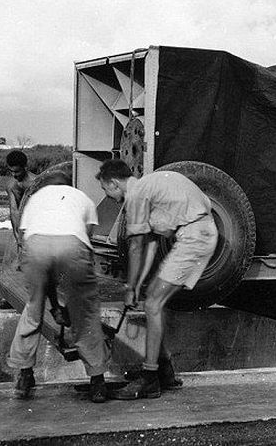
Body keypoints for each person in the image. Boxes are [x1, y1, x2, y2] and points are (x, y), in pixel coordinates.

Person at [96, 159, 218, 400]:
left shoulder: (136, 195)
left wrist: (130, 288)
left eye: (106, 191)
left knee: (153, 304)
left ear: (114, 183)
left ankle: (150, 379)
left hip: (195, 237)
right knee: (153, 300)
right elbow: (151, 244)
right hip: (200, 232)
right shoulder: (150, 185)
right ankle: (164, 370)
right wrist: (138, 284)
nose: (108, 197)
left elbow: (136, 248)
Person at [6, 174, 109, 402]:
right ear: (68, 186)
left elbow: (27, 238)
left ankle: (24, 376)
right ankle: (97, 381)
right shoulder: (83, 197)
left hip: (35, 246)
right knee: (86, 313)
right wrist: (69, 302)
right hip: (73, 244)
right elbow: (86, 240)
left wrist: (54, 306)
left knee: (33, 308)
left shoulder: (36, 198)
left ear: (48, 186)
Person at [5, 150, 36, 265]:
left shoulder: (35, 183)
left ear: (25, 167)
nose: (14, 175)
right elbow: (14, 210)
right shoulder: (11, 185)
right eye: (11, 171)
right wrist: (17, 233)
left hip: (36, 222)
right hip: (21, 223)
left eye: (17, 171)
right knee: (21, 262)